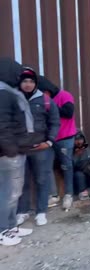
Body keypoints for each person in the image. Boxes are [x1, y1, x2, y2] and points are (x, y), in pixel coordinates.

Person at [17, 68, 60, 227]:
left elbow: (55, 123)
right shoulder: (15, 99)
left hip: (42, 149)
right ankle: (22, 211)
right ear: (20, 83)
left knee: (42, 180)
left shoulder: (46, 101)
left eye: (31, 81)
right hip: (20, 149)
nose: (28, 84)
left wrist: (48, 142)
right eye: (25, 81)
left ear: (35, 84)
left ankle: (41, 212)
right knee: (22, 181)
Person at [0, 59, 35, 246]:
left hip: (14, 150)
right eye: (17, 73)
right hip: (8, 153)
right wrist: (11, 150)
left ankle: (11, 226)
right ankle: (3, 230)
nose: (19, 77)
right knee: (9, 192)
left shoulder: (7, 91)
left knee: (13, 191)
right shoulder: (3, 94)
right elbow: (2, 125)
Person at [37, 76, 77, 210]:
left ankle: (68, 194)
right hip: (48, 139)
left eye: (42, 92)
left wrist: (51, 106)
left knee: (67, 166)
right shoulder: (40, 100)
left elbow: (69, 113)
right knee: (47, 166)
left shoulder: (64, 95)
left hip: (65, 138)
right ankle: (53, 195)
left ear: (47, 89)